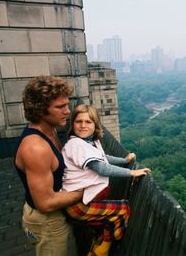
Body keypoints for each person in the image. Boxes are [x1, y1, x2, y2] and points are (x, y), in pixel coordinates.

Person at [62, 104, 150, 256]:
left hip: (82, 201)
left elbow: (103, 158)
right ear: (72, 124)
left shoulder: (90, 142)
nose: (83, 125)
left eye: (88, 122)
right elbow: (101, 168)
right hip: (78, 204)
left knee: (110, 218)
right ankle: (103, 250)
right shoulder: (76, 145)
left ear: (95, 124)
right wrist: (131, 172)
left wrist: (123, 160)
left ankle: (99, 244)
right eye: (79, 121)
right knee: (122, 210)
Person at [14, 76, 83, 255]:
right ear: (40, 110)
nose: (68, 112)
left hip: (54, 217)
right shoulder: (36, 148)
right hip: (47, 222)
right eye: (60, 107)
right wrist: (86, 191)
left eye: (67, 105)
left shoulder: (50, 129)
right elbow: (45, 203)